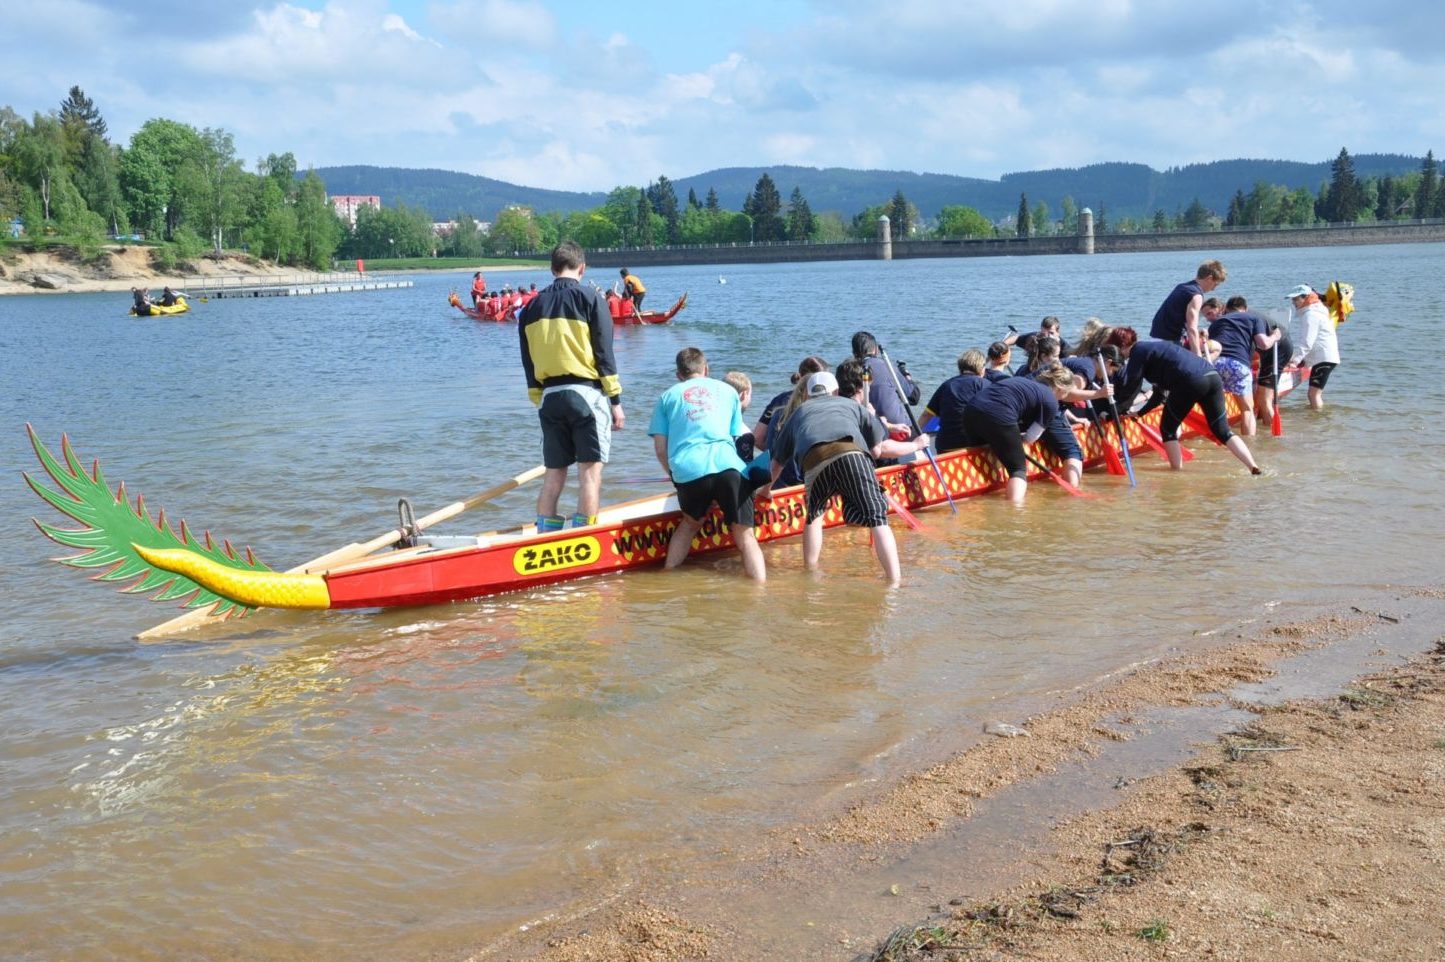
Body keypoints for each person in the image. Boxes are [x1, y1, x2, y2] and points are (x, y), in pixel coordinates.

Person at [766, 359, 932, 583]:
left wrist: (764, 491)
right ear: (835, 391)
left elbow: (777, 463)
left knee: (814, 516)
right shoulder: (852, 405)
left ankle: (811, 574)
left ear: (808, 394)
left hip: (815, 462)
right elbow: (876, 450)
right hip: (852, 455)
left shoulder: (798, 413)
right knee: (878, 519)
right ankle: (894, 581)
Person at [519, 240, 624, 531]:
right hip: (585, 394)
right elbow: (604, 352)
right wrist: (615, 400)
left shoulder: (531, 307)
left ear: (552, 269)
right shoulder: (590, 298)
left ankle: (546, 533)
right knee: (589, 474)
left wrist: (537, 396)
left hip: (549, 397)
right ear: (582, 268)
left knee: (554, 473)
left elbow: (527, 359)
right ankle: (584, 534)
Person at [648, 348, 765, 581]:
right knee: (745, 536)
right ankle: (759, 589)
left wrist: (675, 477)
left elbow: (661, 449)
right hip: (729, 467)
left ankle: (667, 576)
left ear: (678, 375)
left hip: (689, 470)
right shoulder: (728, 391)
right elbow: (736, 435)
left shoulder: (666, 397)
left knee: (689, 524)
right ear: (706, 369)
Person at [1107, 327, 1262, 474]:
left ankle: (1176, 473)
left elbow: (1132, 386)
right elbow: (1159, 394)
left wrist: (1115, 411)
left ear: (1122, 346)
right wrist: (1141, 412)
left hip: (1190, 382)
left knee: (1168, 430)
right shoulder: (1155, 349)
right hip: (1212, 377)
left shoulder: (1137, 352)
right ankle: (1253, 466)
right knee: (1223, 431)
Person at [962, 364, 1079, 504]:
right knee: (1018, 469)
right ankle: (1014, 510)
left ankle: (973, 489)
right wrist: (1016, 442)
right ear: (1060, 388)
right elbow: (1031, 438)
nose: (1065, 397)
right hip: (1000, 415)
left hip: (971, 411)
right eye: (1066, 393)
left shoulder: (1023, 381)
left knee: (980, 452)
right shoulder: (1051, 401)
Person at [1208, 295, 1280, 436]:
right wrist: (1275, 336)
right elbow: (1263, 344)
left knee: (1217, 408)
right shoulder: (1253, 318)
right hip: (1237, 365)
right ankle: (1249, 444)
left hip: (1215, 363)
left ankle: (1219, 438)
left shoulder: (1216, 322)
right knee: (1247, 410)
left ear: (1226, 309)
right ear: (1245, 308)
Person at [758, 355, 830, 488]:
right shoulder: (818, 404)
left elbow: (758, 437)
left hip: (773, 481)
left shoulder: (778, 400)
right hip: (801, 485)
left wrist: (778, 454)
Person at [851, 330, 920, 441]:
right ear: (876, 350)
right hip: (898, 430)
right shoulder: (888, 367)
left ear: (854, 353)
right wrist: (906, 377)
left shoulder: (849, 372)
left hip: (866, 432)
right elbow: (914, 398)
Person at [1149, 259, 1226, 354]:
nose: (1214, 289)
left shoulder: (1182, 287)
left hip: (1156, 338)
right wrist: (1197, 357)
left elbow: (1178, 320)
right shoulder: (1196, 296)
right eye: (1215, 284)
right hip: (1169, 343)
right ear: (1209, 278)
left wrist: (1198, 332)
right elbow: (1191, 328)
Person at [1285, 283, 1340, 410]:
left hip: (1324, 358)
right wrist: (1301, 360)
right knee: (1313, 394)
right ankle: (1316, 416)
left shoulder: (1310, 315)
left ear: (1306, 298)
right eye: (1292, 299)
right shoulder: (1317, 311)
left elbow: (1306, 342)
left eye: (1296, 299)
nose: (1293, 302)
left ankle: (1318, 418)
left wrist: (1294, 361)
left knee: (1313, 394)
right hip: (1323, 357)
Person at [922, 349, 988, 452]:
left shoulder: (947, 385)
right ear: (981, 368)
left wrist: (913, 436)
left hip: (945, 446)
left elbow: (926, 415)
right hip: (975, 445)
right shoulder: (984, 384)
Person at [1005, 315, 1069, 356]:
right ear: (1041, 330)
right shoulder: (1035, 339)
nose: (1048, 336)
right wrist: (1003, 346)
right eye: (1044, 333)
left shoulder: (1065, 347)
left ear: (1058, 332)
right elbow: (1016, 338)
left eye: (1051, 333)